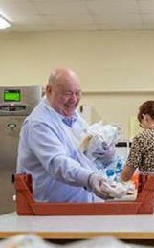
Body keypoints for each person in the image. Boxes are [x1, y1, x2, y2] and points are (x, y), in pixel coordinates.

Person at [16, 67, 118, 202]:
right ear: (49, 90)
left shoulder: (73, 117)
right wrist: (89, 179)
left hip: (79, 210)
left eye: (77, 93)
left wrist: (106, 155)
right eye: (68, 93)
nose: (74, 100)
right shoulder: (39, 124)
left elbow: (84, 156)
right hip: (51, 214)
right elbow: (58, 164)